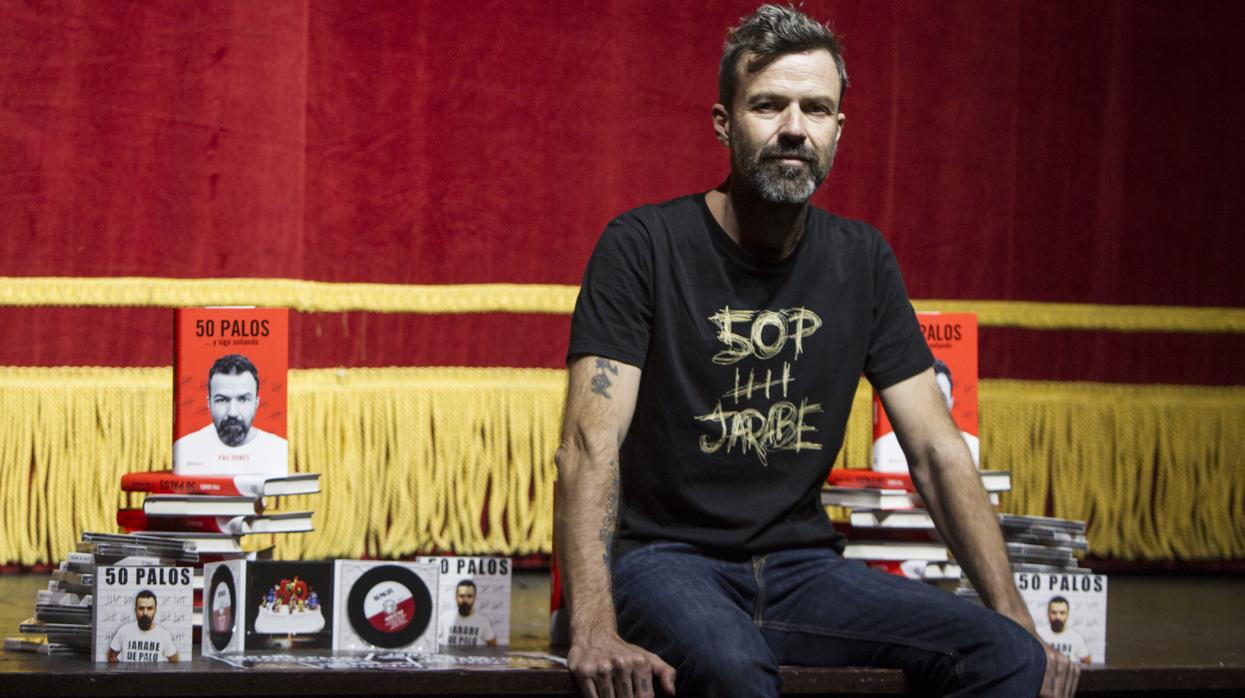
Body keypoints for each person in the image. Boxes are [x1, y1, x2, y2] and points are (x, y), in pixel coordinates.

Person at [554, 4, 1080, 697]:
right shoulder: (642, 247)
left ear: (837, 129)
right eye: (768, 105)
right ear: (724, 123)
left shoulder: (862, 260)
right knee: (733, 668)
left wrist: (1013, 614)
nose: (794, 128)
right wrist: (593, 627)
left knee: (1005, 654)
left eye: (816, 109)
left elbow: (935, 449)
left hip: (803, 569)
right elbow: (586, 444)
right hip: (663, 560)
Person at [173, 353, 287, 475]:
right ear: (209, 403)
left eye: (243, 399)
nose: (232, 412)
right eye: (222, 400)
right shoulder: (185, 449)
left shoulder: (278, 449)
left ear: (256, 403)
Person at [874, 358, 981, 471]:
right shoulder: (886, 445)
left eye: (941, 399)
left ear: (951, 402)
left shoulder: (970, 445)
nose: (933, 407)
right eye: (926, 399)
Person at [107, 590, 180, 663]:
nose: (145, 613)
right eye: (141, 608)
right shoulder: (124, 631)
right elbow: (111, 656)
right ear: (135, 610)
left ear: (155, 610)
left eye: (150, 608)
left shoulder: (163, 634)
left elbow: (174, 660)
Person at [1038, 596, 1092, 664]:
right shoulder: (1039, 634)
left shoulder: (1076, 637)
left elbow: (1087, 662)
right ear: (1048, 614)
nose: (1057, 617)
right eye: (1054, 612)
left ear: (1067, 614)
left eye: (1062, 613)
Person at [446, 580, 498, 647]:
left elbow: (493, 645)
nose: (465, 600)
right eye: (461, 596)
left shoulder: (483, 620)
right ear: (456, 597)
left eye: (469, 596)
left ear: (474, 598)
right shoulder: (444, 617)